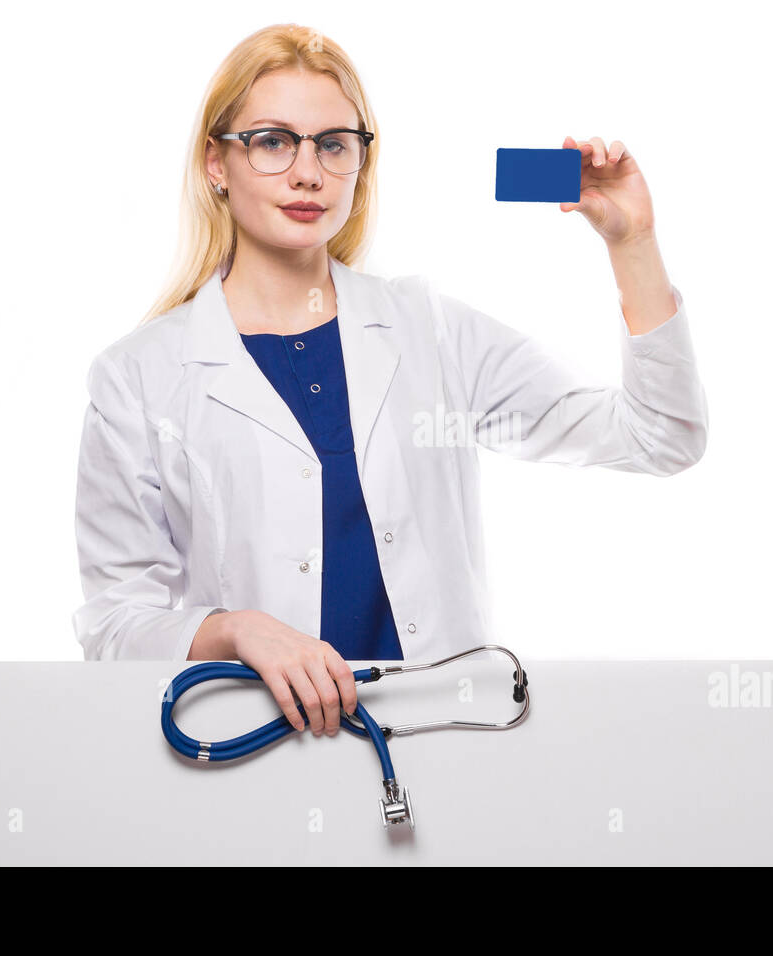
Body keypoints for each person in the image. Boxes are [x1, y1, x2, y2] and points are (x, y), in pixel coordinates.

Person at [72, 24, 708, 741]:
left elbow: (662, 436)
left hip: (447, 747)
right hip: (257, 761)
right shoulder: (139, 378)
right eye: (274, 141)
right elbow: (116, 628)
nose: (308, 173)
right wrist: (236, 631)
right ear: (216, 162)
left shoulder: (428, 331)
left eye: (333, 144)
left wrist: (633, 243)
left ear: (359, 166)